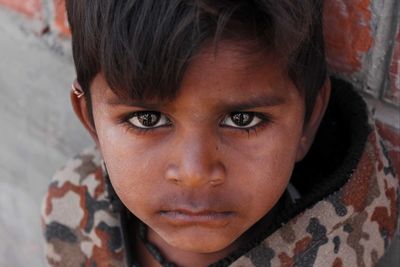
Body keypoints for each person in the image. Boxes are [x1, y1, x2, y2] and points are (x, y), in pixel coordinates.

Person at [42, 1, 399, 266]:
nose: (195, 172)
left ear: (308, 121)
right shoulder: (74, 227)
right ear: (89, 119)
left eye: (243, 119)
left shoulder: (345, 251)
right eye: (147, 120)